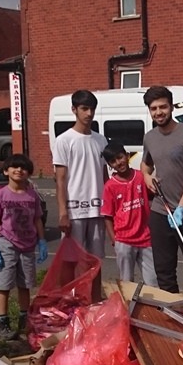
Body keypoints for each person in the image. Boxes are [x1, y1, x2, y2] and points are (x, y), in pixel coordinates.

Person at [141, 85, 183, 296]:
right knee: (164, 270)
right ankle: (174, 315)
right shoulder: (150, 137)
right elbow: (145, 166)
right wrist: (147, 177)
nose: (159, 112)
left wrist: (181, 207)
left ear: (171, 107)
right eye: (153, 108)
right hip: (161, 212)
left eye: (163, 107)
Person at [51, 89, 108, 301]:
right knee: (70, 261)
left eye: (92, 109)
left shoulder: (101, 140)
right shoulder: (64, 140)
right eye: (84, 108)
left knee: (96, 261)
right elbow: (61, 180)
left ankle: (93, 302)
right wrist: (63, 213)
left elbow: (104, 177)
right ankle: (67, 301)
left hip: (97, 210)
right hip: (74, 212)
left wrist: (109, 209)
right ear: (74, 110)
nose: (89, 113)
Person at [0, 154, 48, 341]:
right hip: (7, 243)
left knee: (25, 284)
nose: (19, 170)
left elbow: (37, 219)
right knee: (3, 284)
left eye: (23, 168)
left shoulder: (32, 195)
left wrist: (42, 240)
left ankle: (24, 318)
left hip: (28, 244)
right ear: (6, 171)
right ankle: (2, 321)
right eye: (14, 167)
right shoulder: (0, 195)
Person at [100, 141, 157, 287]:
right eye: (113, 161)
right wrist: (115, 241)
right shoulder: (110, 187)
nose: (119, 163)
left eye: (120, 157)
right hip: (124, 241)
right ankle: (128, 309)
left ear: (127, 155)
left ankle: (152, 309)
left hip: (145, 238)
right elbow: (107, 217)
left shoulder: (140, 177)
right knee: (127, 283)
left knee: (152, 281)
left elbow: (154, 193)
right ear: (109, 165)